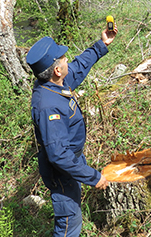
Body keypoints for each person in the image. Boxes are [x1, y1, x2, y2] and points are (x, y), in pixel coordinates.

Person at [27, 26, 118, 237]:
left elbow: (79, 66)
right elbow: (58, 155)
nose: (68, 60)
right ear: (57, 70)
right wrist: (93, 177)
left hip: (71, 162)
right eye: (64, 58)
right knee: (69, 223)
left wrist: (101, 44)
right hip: (61, 172)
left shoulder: (55, 82)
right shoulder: (48, 106)